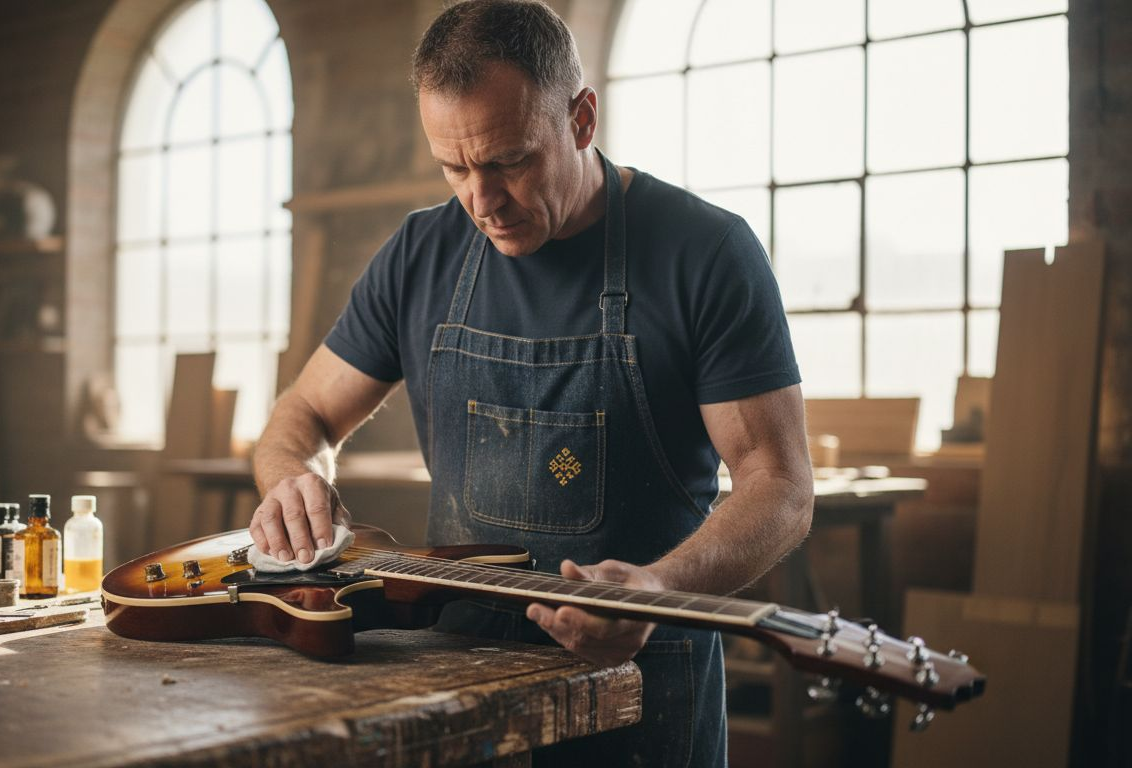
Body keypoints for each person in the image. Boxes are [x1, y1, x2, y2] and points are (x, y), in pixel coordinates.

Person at [250, 0, 814, 764]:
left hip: (638, 686)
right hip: (456, 681)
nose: (482, 201)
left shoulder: (704, 253)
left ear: (581, 119)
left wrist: (656, 586)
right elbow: (306, 412)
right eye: (454, 168)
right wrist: (291, 479)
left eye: (510, 160)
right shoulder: (420, 252)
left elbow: (778, 486)